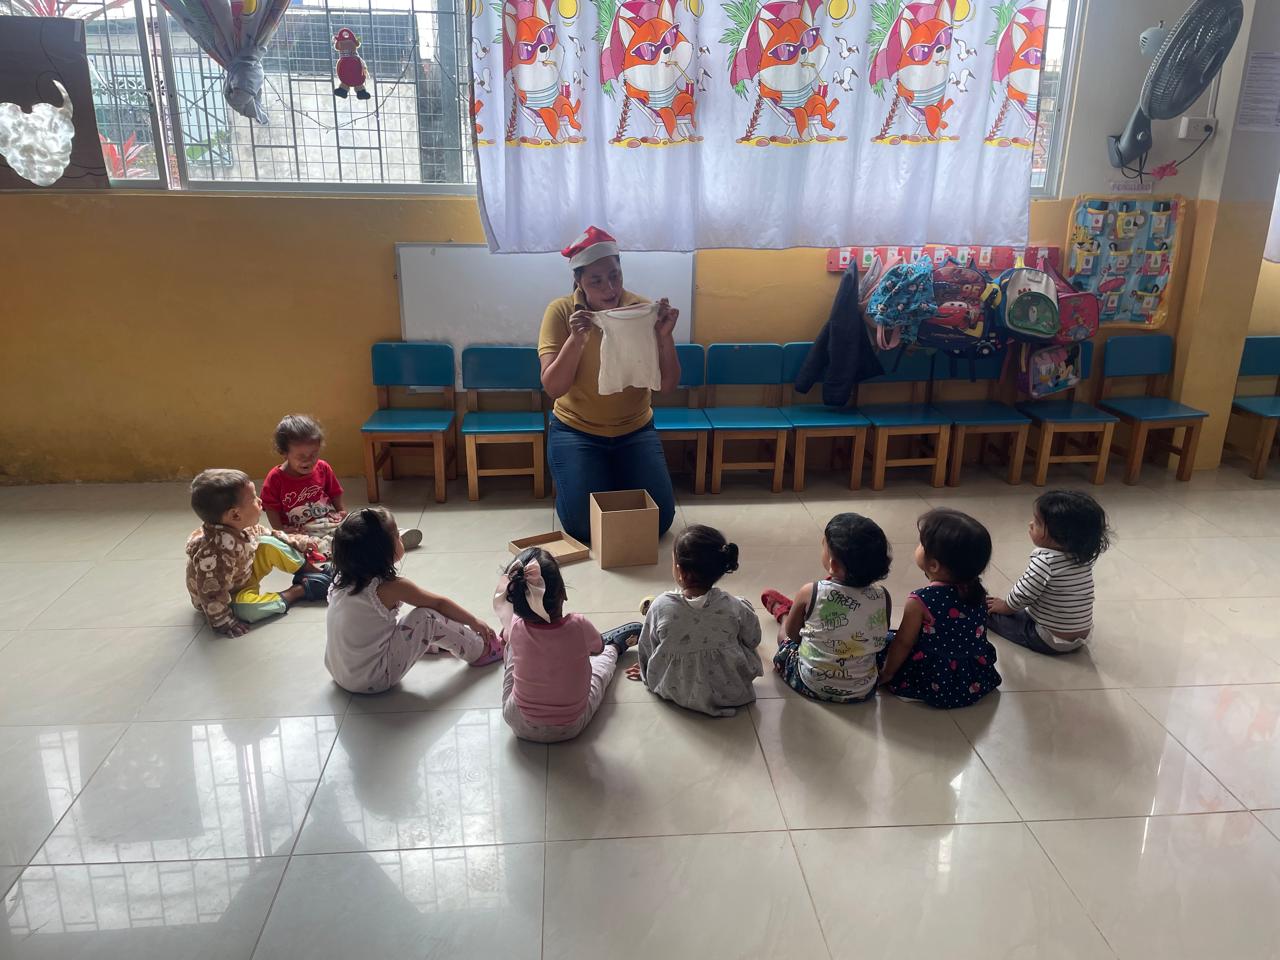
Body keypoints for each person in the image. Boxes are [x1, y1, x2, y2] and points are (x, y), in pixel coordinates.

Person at [540, 226, 680, 544]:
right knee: (582, 527)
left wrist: (665, 337)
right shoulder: (561, 312)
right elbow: (553, 388)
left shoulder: (640, 310)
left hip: (635, 430)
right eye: (597, 281)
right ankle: (599, 480)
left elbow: (668, 385)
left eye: (615, 276)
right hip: (576, 431)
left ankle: (612, 479)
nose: (610, 288)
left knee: (659, 521)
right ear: (579, 281)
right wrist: (576, 340)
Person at [324, 507, 502, 695]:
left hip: (338, 671)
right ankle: (480, 650)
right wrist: (473, 621)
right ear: (383, 551)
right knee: (427, 619)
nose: (401, 537)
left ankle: (431, 644)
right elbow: (439, 604)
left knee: (384, 625)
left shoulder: (340, 580)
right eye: (397, 535)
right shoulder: (391, 587)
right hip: (374, 679)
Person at [496, 546, 641, 743]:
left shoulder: (515, 626)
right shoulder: (578, 625)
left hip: (518, 722)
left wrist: (510, 636)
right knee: (599, 671)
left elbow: (507, 636)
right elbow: (597, 648)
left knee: (513, 644)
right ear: (563, 593)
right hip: (570, 727)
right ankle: (615, 647)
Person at [626, 524, 762, 717]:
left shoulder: (660, 606)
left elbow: (647, 648)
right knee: (741, 621)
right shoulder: (734, 606)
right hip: (731, 692)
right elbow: (754, 639)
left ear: (680, 571)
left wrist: (646, 671)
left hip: (675, 689)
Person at [761, 513, 893, 704]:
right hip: (863, 690)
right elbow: (879, 633)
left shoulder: (810, 591)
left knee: (785, 639)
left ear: (833, 564)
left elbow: (793, 635)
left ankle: (784, 613)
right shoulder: (883, 596)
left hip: (809, 683)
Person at [185, 468, 331, 637]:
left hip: (243, 573)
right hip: (229, 596)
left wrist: (301, 542)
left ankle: (315, 572)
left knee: (268, 542)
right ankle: (300, 590)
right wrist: (223, 621)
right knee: (248, 611)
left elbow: (273, 535)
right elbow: (212, 595)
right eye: (254, 498)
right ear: (235, 515)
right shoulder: (214, 554)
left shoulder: (240, 525)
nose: (260, 501)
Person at [878, 509, 1000, 708]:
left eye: (921, 544)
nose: (918, 546)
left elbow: (904, 643)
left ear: (934, 565)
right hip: (972, 679)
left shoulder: (920, 600)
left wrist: (888, 672)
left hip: (934, 680)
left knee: (886, 641)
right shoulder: (977, 592)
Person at [262, 414, 421, 554]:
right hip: (302, 530)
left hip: (330, 520)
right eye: (301, 456)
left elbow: (335, 493)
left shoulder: (323, 468)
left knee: (358, 525)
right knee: (310, 545)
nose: (308, 461)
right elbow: (270, 508)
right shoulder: (275, 478)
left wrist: (341, 511)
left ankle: (391, 536)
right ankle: (364, 547)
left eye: (313, 454)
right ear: (284, 453)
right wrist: (280, 530)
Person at [987, 490, 1112, 655]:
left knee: (988, 612)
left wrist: (1004, 606)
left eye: (1038, 523)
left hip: (1049, 640)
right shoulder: (1082, 558)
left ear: (1061, 536)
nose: (1030, 524)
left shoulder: (1045, 562)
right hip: (1081, 636)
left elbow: (1023, 595)